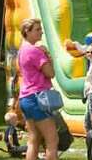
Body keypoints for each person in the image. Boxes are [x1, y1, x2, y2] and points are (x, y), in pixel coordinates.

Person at [16, 18, 58, 160]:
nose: (41, 32)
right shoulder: (35, 51)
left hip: (25, 98)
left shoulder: (22, 50)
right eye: (37, 29)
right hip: (37, 98)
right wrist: (47, 55)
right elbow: (50, 73)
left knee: (33, 139)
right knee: (52, 140)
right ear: (27, 32)